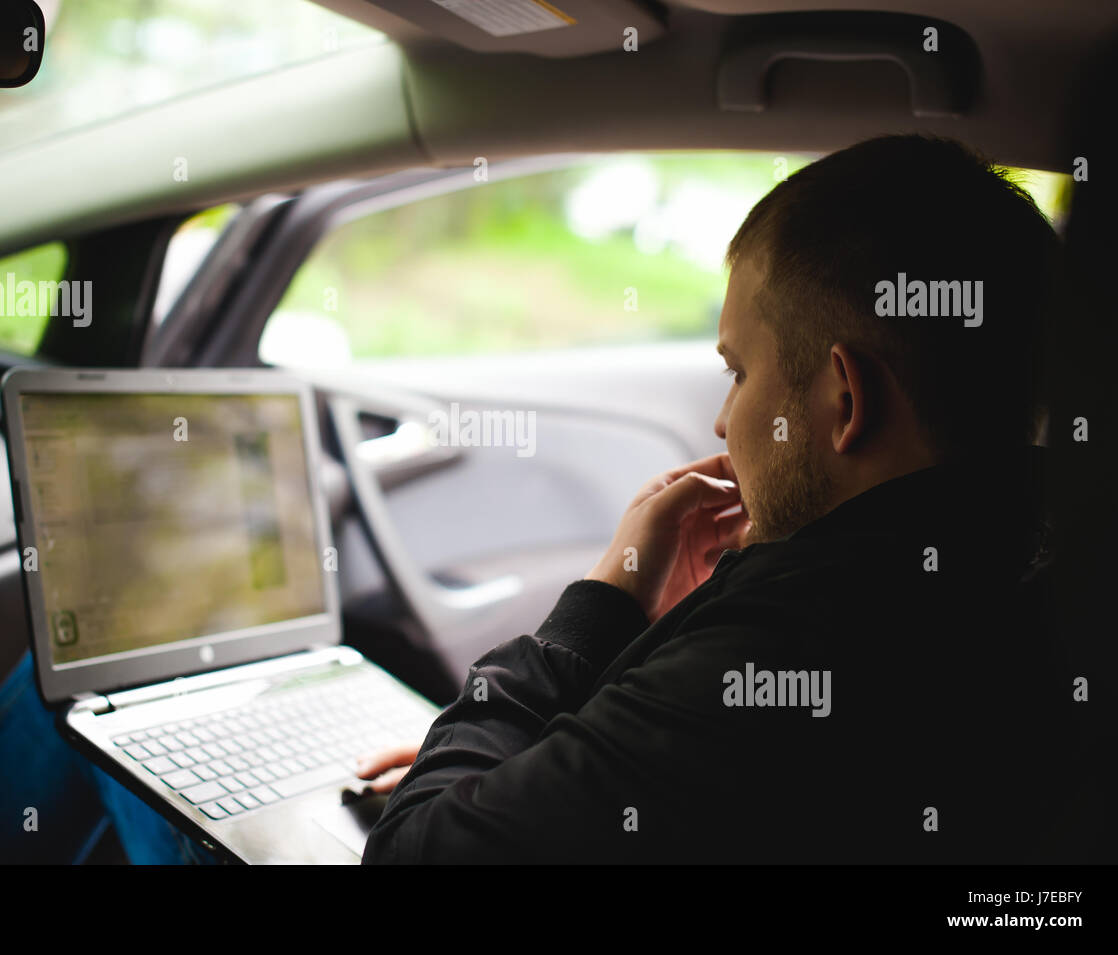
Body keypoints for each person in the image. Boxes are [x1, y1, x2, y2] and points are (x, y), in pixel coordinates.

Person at [360, 134, 1079, 863]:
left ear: (846, 397)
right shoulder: (1053, 560)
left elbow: (415, 854)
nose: (721, 420)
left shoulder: (794, 639)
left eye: (737, 372)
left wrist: (599, 605)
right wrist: (509, 777)